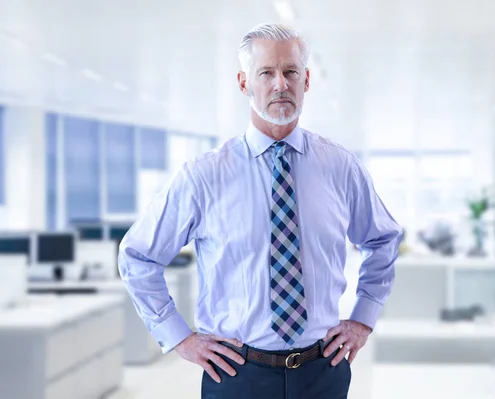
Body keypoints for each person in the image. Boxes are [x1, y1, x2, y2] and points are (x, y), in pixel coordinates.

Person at [118, 22, 402, 399]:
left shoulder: (340, 168)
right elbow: (137, 256)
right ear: (243, 82)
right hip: (237, 375)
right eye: (266, 73)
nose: (280, 84)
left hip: (323, 372)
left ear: (306, 81)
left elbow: (383, 240)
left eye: (290, 72)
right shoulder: (203, 177)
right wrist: (179, 337)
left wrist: (363, 320)